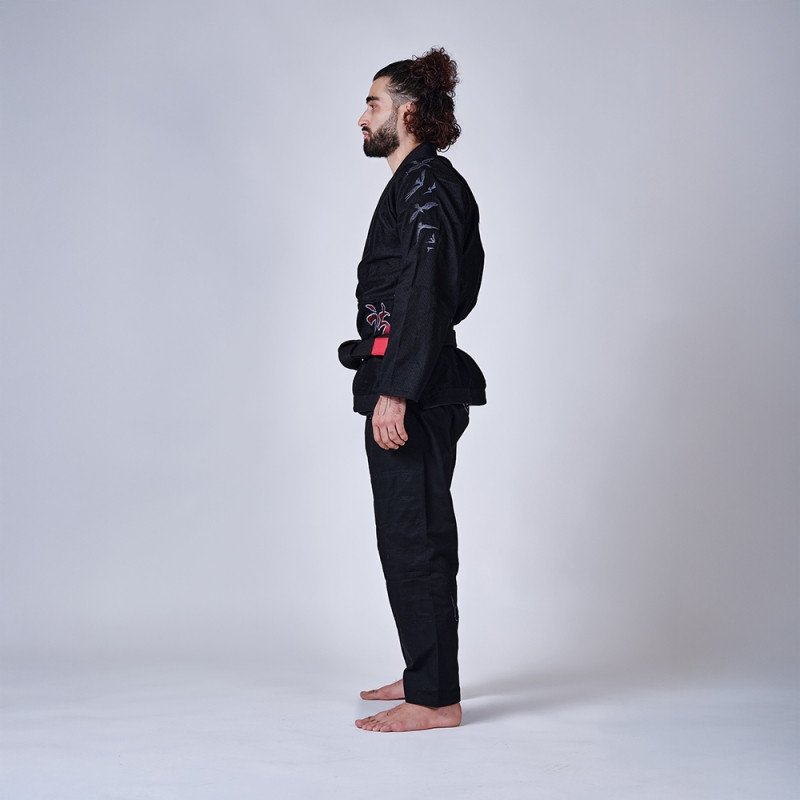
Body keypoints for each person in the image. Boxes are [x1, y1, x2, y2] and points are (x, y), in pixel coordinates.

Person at [337, 46, 487, 733]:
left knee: (415, 535)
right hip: (406, 376)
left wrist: (396, 388)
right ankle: (425, 669)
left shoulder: (428, 185)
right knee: (405, 535)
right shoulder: (415, 186)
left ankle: (434, 699)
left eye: (373, 103)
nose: (362, 117)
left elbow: (429, 291)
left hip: (415, 389)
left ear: (408, 112)